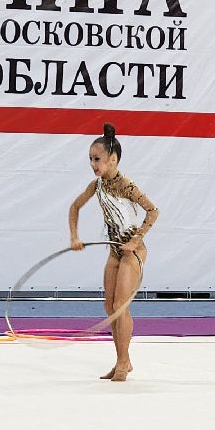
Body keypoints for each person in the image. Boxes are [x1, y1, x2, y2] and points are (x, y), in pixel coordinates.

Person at [67, 124, 159, 382]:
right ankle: (123, 360)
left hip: (133, 252)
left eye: (97, 159)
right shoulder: (96, 186)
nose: (92, 164)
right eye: (90, 160)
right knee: (109, 307)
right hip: (115, 251)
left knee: (121, 306)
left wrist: (136, 240)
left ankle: (122, 362)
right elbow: (74, 207)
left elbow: (153, 211)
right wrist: (74, 236)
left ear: (113, 159)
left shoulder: (127, 186)